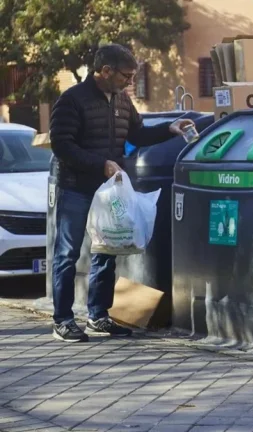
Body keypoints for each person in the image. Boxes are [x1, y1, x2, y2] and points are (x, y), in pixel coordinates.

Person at [49, 43, 194, 343]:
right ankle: (62, 320)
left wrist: (170, 128)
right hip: (76, 187)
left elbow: (138, 134)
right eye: (126, 76)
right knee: (68, 254)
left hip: (109, 190)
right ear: (105, 71)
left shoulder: (122, 101)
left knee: (108, 251)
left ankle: (98, 316)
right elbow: (62, 145)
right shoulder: (71, 100)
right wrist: (100, 163)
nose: (130, 82)